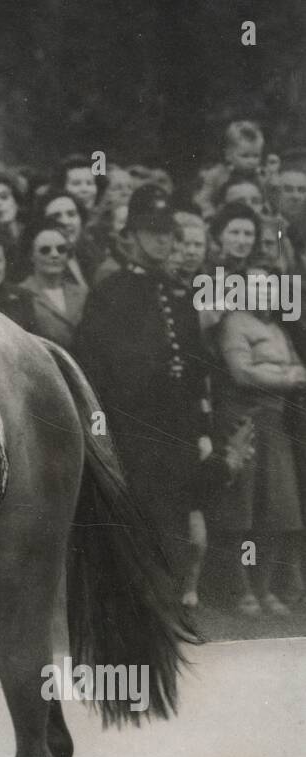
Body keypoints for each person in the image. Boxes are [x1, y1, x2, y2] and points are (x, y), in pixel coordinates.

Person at [77, 183, 213, 577]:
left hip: (177, 436)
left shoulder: (180, 294)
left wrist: (202, 430)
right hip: (130, 435)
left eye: (167, 232)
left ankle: (170, 607)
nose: (162, 240)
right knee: (137, 531)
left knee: (176, 528)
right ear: (129, 237)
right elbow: (95, 370)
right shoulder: (109, 293)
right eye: (151, 231)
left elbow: (195, 369)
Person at [216, 262, 306, 617]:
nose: (263, 293)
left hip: (276, 426)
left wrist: (280, 374)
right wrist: (286, 378)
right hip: (246, 423)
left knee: (276, 512)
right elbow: (241, 373)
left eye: (269, 287)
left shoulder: (278, 331)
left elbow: (300, 368)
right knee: (244, 512)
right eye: (255, 287)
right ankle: (243, 590)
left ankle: (265, 588)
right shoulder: (235, 323)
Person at [17, 227, 87, 350]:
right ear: (32, 256)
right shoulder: (21, 293)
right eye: (45, 250)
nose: (54, 254)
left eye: (61, 249)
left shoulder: (82, 293)